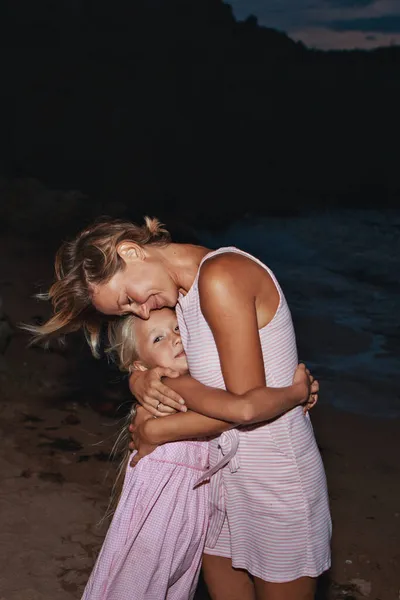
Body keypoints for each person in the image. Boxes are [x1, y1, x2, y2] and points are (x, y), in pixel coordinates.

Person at [29, 216, 331, 600]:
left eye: (128, 298)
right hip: (216, 480)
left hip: (275, 481)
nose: (140, 311)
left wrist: (157, 429)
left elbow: (247, 406)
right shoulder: (185, 299)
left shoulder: (221, 277)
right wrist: (140, 379)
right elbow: (200, 380)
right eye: (127, 311)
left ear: (131, 251)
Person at [80, 307, 316, 600]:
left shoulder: (198, 385)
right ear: (140, 366)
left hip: (183, 522)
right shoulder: (171, 385)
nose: (175, 339)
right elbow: (233, 414)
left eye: (178, 329)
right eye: (158, 338)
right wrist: (290, 395)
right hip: (159, 521)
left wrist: (277, 397)